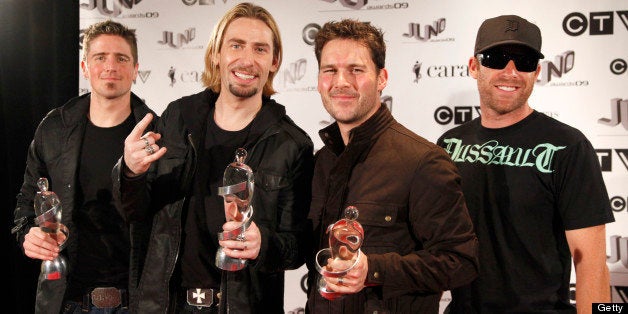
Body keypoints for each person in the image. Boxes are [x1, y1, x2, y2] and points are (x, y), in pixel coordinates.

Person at [114, 2, 314, 313]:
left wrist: (265, 246)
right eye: (236, 45)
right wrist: (130, 172)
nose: (247, 60)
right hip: (167, 303)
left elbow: (298, 247)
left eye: (260, 49)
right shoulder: (178, 117)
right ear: (216, 54)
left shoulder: (292, 144)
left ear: (274, 61)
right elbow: (135, 211)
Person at [437, 15, 615, 313]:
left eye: (525, 61)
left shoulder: (568, 146)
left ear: (537, 72)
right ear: (473, 66)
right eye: (496, 58)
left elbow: (591, 263)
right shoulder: (449, 144)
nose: (511, 72)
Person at [305, 19, 479, 313]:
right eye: (330, 70)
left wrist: (373, 269)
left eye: (356, 70)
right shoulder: (321, 162)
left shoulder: (423, 161)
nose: (341, 82)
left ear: (382, 77)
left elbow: (460, 261)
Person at [11, 20, 156, 313]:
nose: (110, 66)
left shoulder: (158, 135)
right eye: (100, 57)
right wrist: (30, 234)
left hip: (138, 301)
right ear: (85, 67)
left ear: (135, 69)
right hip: (67, 299)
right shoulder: (53, 129)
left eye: (121, 58)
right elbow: (26, 206)